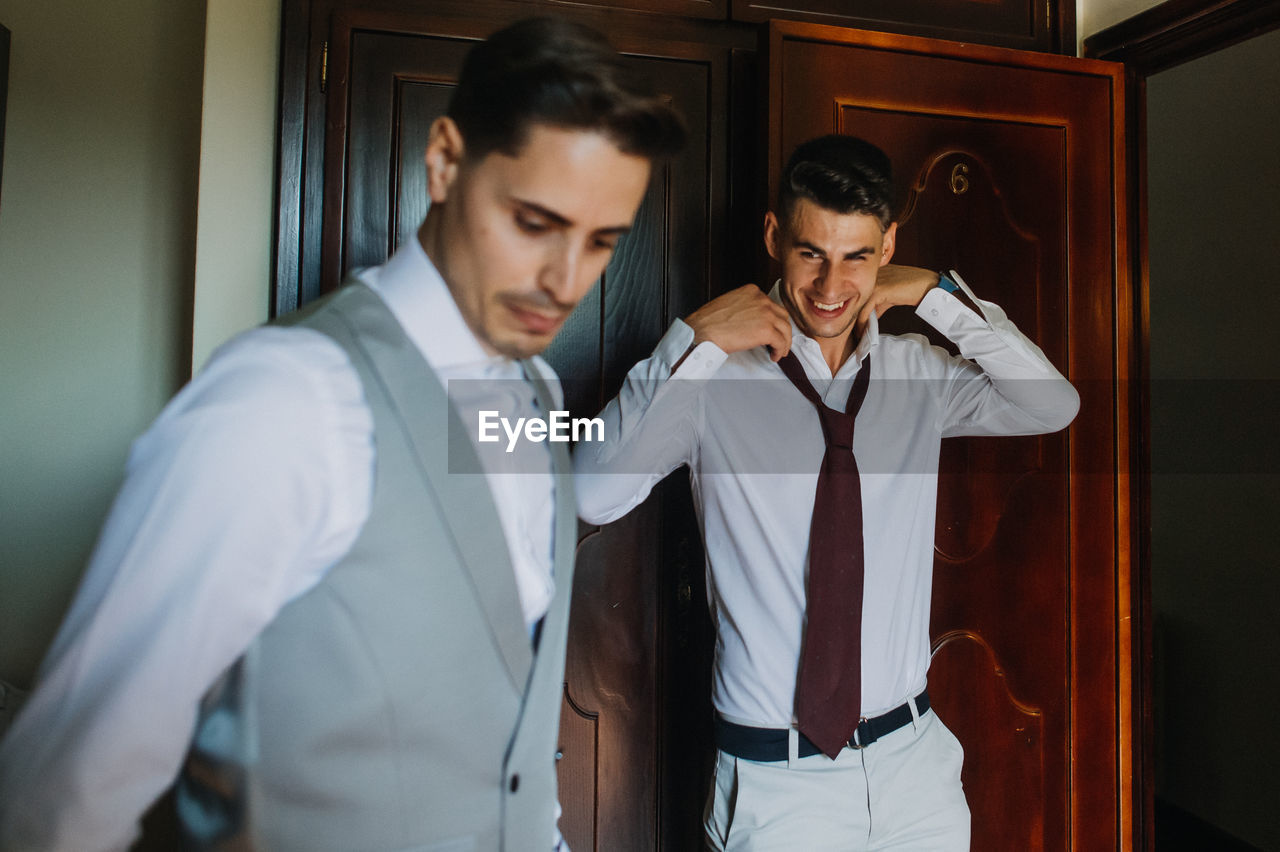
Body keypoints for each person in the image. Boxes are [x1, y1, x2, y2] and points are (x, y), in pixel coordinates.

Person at [0, 17, 684, 851]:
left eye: (602, 242)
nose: (564, 279)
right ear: (443, 161)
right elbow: (69, 789)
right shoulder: (285, 403)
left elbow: (507, 723)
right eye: (533, 223)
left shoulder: (535, 395)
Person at [573, 134, 1079, 850]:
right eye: (811, 252)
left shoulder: (916, 373)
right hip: (779, 789)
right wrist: (692, 341)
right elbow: (592, 492)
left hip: (916, 772)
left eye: (857, 256)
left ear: (888, 246)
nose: (831, 286)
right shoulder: (708, 379)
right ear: (775, 236)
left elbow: (1051, 405)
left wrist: (940, 296)